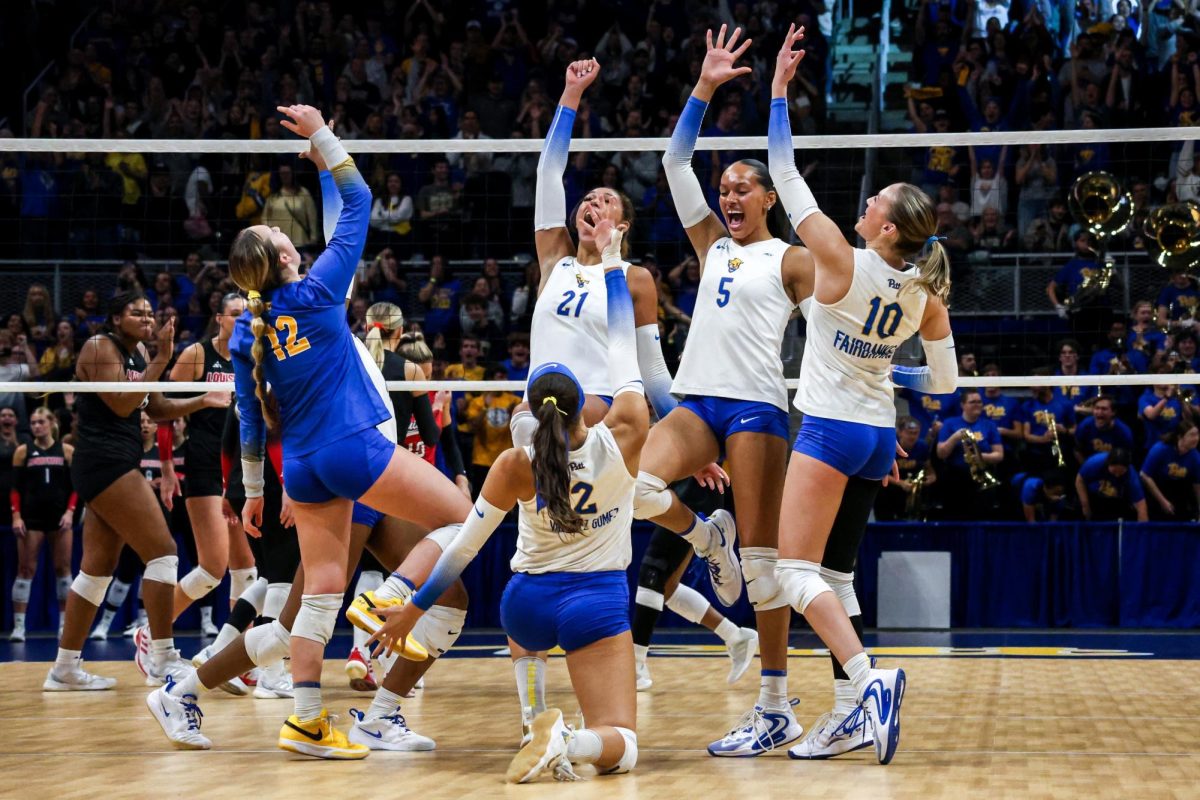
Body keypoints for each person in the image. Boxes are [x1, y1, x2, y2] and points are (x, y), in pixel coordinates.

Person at [217, 105, 472, 759]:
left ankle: (305, 721)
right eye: (279, 232)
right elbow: (359, 202)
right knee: (461, 519)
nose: (287, 230)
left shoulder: (249, 328)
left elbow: (249, 419)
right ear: (282, 256)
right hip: (351, 447)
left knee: (319, 594)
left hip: (297, 467)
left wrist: (253, 493)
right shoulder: (320, 293)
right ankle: (387, 595)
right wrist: (325, 139)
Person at [367, 220, 645, 783]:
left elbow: (463, 548)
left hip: (525, 605)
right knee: (624, 746)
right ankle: (568, 738)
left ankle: (532, 718)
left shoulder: (515, 464)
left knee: (524, 600)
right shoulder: (627, 432)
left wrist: (414, 610)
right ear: (584, 407)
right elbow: (622, 342)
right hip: (596, 601)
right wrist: (613, 264)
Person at [769, 23, 956, 765]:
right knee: (836, 577)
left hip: (832, 429)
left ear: (884, 227)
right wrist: (889, 368)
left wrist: (780, 89)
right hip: (878, 433)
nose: (866, 198)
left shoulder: (840, 261)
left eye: (874, 198)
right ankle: (849, 714)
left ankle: (869, 679)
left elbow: (784, 172)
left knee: (791, 572)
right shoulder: (923, 290)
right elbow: (942, 383)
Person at [644, 28, 817, 757]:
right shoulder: (711, 243)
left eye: (742, 187)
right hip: (697, 401)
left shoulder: (793, 259)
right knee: (634, 484)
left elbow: (834, 341)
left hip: (755, 409)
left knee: (764, 567)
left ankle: (775, 703)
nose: (729, 195)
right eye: (725, 190)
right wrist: (706, 86)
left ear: (769, 195)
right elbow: (674, 159)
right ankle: (699, 532)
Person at [45, 290, 229, 692]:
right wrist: (163, 357)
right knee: (163, 552)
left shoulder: (141, 355)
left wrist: (203, 399)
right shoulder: (99, 347)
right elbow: (120, 404)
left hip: (117, 461)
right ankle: (162, 658)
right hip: (103, 461)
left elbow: (155, 408)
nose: (147, 319)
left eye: (150, 313)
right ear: (115, 318)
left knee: (97, 569)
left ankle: (64, 668)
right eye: (137, 313)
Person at [157, 292, 256, 632]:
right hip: (204, 464)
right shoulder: (197, 354)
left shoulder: (254, 357)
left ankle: (234, 653)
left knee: (246, 570)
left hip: (241, 466)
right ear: (218, 318)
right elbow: (164, 412)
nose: (241, 319)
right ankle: (153, 629)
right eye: (234, 313)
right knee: (213, 569)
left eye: (246, 314)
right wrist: (167, 468)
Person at [630, 477, 759, 692]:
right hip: (684, 484)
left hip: (694, 486)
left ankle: (634, 667)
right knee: (666, 588)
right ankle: (736, 637)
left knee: (653, 572)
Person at [8, 407, 76, 641]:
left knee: (63, 570)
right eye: (33, 423)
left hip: (60, 518)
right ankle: (19, 627)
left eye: (41, 422)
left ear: (52, 423)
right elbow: (15, 488)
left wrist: (70, 512)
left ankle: (65, 625)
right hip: (32, 519)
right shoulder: (23, 451)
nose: (36, 426)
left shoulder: (66, 451)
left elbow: (76, 487)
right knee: (26, 569)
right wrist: (16, 516)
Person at [935, 389, 1003, 519]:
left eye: (979, 402)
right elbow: (941, 454)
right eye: (972, 402)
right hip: (956, 479)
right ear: (963, 405)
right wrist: (955, 437)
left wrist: (980, 457)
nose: (977, 404)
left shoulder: (989, 425)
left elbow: (999, 455)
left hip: (982, 476)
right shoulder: (950, 423)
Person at [1139, 421, 1200, 520]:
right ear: (1180, 437)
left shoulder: (1195, 456)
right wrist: (1162, 501)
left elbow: (1197, 485)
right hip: (1157, 489)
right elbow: (1144, 475)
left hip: (1178, 491)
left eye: (1197, 434)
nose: (1196, 438)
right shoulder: (1160, 449)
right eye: (1192, 435)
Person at [1075, 448, 1148, 522]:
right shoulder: (1094, 463)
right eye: (1114, 471)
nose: (1117, 475)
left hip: (1117, 501)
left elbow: (1141, 506)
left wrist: (1142, 531)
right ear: (1108, 464)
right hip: (1093, 496)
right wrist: (1085, 505)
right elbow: (1079, 480)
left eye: (1121, 472)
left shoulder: (1131, 476)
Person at [1074, 395, 1134, 463]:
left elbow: (1126, 458)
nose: (1099, 412)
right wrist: (1087, 468)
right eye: (1097, 408)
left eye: (1104, 409)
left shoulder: (1124, 432)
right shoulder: (1084, 426)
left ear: (1113, 412)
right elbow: (1078, 451)